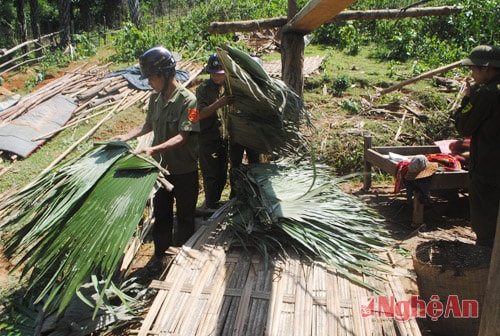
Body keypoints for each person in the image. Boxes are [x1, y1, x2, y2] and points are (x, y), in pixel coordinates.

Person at [113, 46, 200, 261]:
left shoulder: (191, 102)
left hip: (184, 171)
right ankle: (160, 256)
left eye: (151, 77)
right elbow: (148, 125)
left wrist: (153, 149)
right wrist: (126, 136)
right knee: (162, 217)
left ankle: (181, 261)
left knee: (185, 218)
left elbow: (183, 137)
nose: (149, 82)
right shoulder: (154, 98)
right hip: (162, 171)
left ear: (165, 74)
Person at [453, 44, 500, 247]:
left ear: (486, 69)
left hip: (488, 169)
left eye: (473, 69)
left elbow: (464, 127)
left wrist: (467, 99)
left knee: (486, 224)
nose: (471, 74)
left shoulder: (486, 94)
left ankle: (486, 270)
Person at [195, 53, 234, 210]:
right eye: (214, 74)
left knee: (222, 174)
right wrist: (219, 103)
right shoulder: (202, 90)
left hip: (223, 139)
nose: (217, 77)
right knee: (210, 175)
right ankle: (210, 206)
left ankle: (214, 204)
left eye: (220, 74)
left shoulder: (228, 87)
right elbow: (196, 115)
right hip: (208, 140)